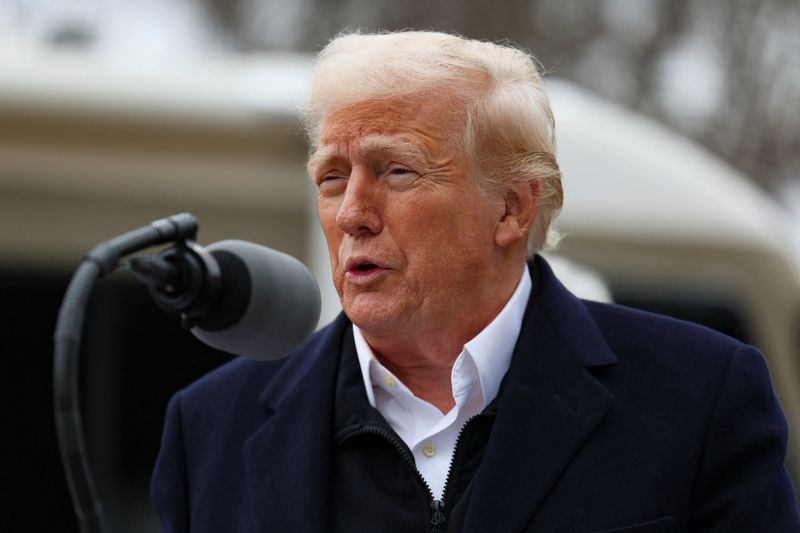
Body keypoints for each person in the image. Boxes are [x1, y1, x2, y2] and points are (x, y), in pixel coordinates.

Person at [151, 31, 800, 532]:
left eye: (396, 171)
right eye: (331, 177)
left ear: (513, 208)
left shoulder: (700, 399)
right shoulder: (210, 427)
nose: (351, 212)